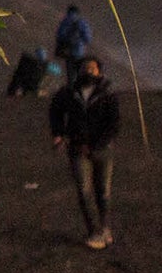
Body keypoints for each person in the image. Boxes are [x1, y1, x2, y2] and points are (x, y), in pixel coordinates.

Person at [49, 54, 122, 248]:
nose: (89, 71)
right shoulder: (69, 92)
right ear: (79, 71)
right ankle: (94, 231)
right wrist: (58, 133)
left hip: (102, 150)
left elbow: (114, 124)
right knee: (83, 191)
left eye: (93, 68)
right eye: (85, 68)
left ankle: (104, 227)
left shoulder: (108, 93)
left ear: (99, 71)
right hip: (78, 149)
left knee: (103, 191)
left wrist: (97, 144)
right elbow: (55, 110)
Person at [53, 5, 92, 80]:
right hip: (78, 52)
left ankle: (70, 85)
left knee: (70, 73)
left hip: (67, 51)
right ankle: (75, 86)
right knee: (77, 72)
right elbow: (88, 39)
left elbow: (59, 35)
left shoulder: (65, 21)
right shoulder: (82, 23)